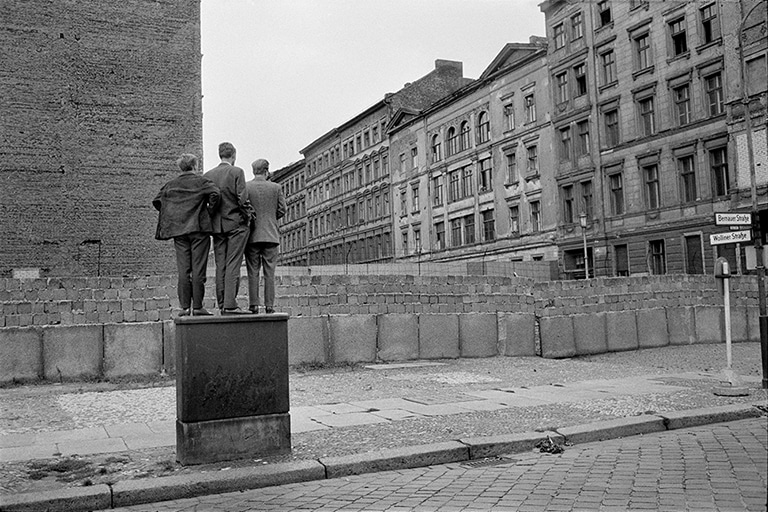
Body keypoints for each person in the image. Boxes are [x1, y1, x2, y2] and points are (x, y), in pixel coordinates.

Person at [153, 153, 219, 316]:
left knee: (183, 269)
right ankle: (197, 306)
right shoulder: (201, 181)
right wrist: (209, 210)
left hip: (179, 231)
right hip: (198, 229)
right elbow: (216, 194)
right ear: (195, 166)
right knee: (198, 269)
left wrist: (174, 214)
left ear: (180, 167)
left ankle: (184, 307)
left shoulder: (170, 185)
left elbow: (157, 201)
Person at [204, 142, 252, 315]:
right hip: (236, 224)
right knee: (233, 264)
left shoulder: (208, 175)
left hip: (217, 227)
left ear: (220, 155)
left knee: (220, 265)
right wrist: (248, 217)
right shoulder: (237, 172)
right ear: (233, 155)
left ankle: (222, 304)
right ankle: (231, 305)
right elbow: (243, 199)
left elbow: (208, 202)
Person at [244, 159, 286, 313]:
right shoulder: (276, 187)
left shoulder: (246, 187)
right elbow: (282, 209)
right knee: (270, 272)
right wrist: (271, 217)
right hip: (271, 235)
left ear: (253, 171)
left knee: (252, 271)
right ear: (267, 171)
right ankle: (269, 306)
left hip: (252, 236)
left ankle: (253, 305)